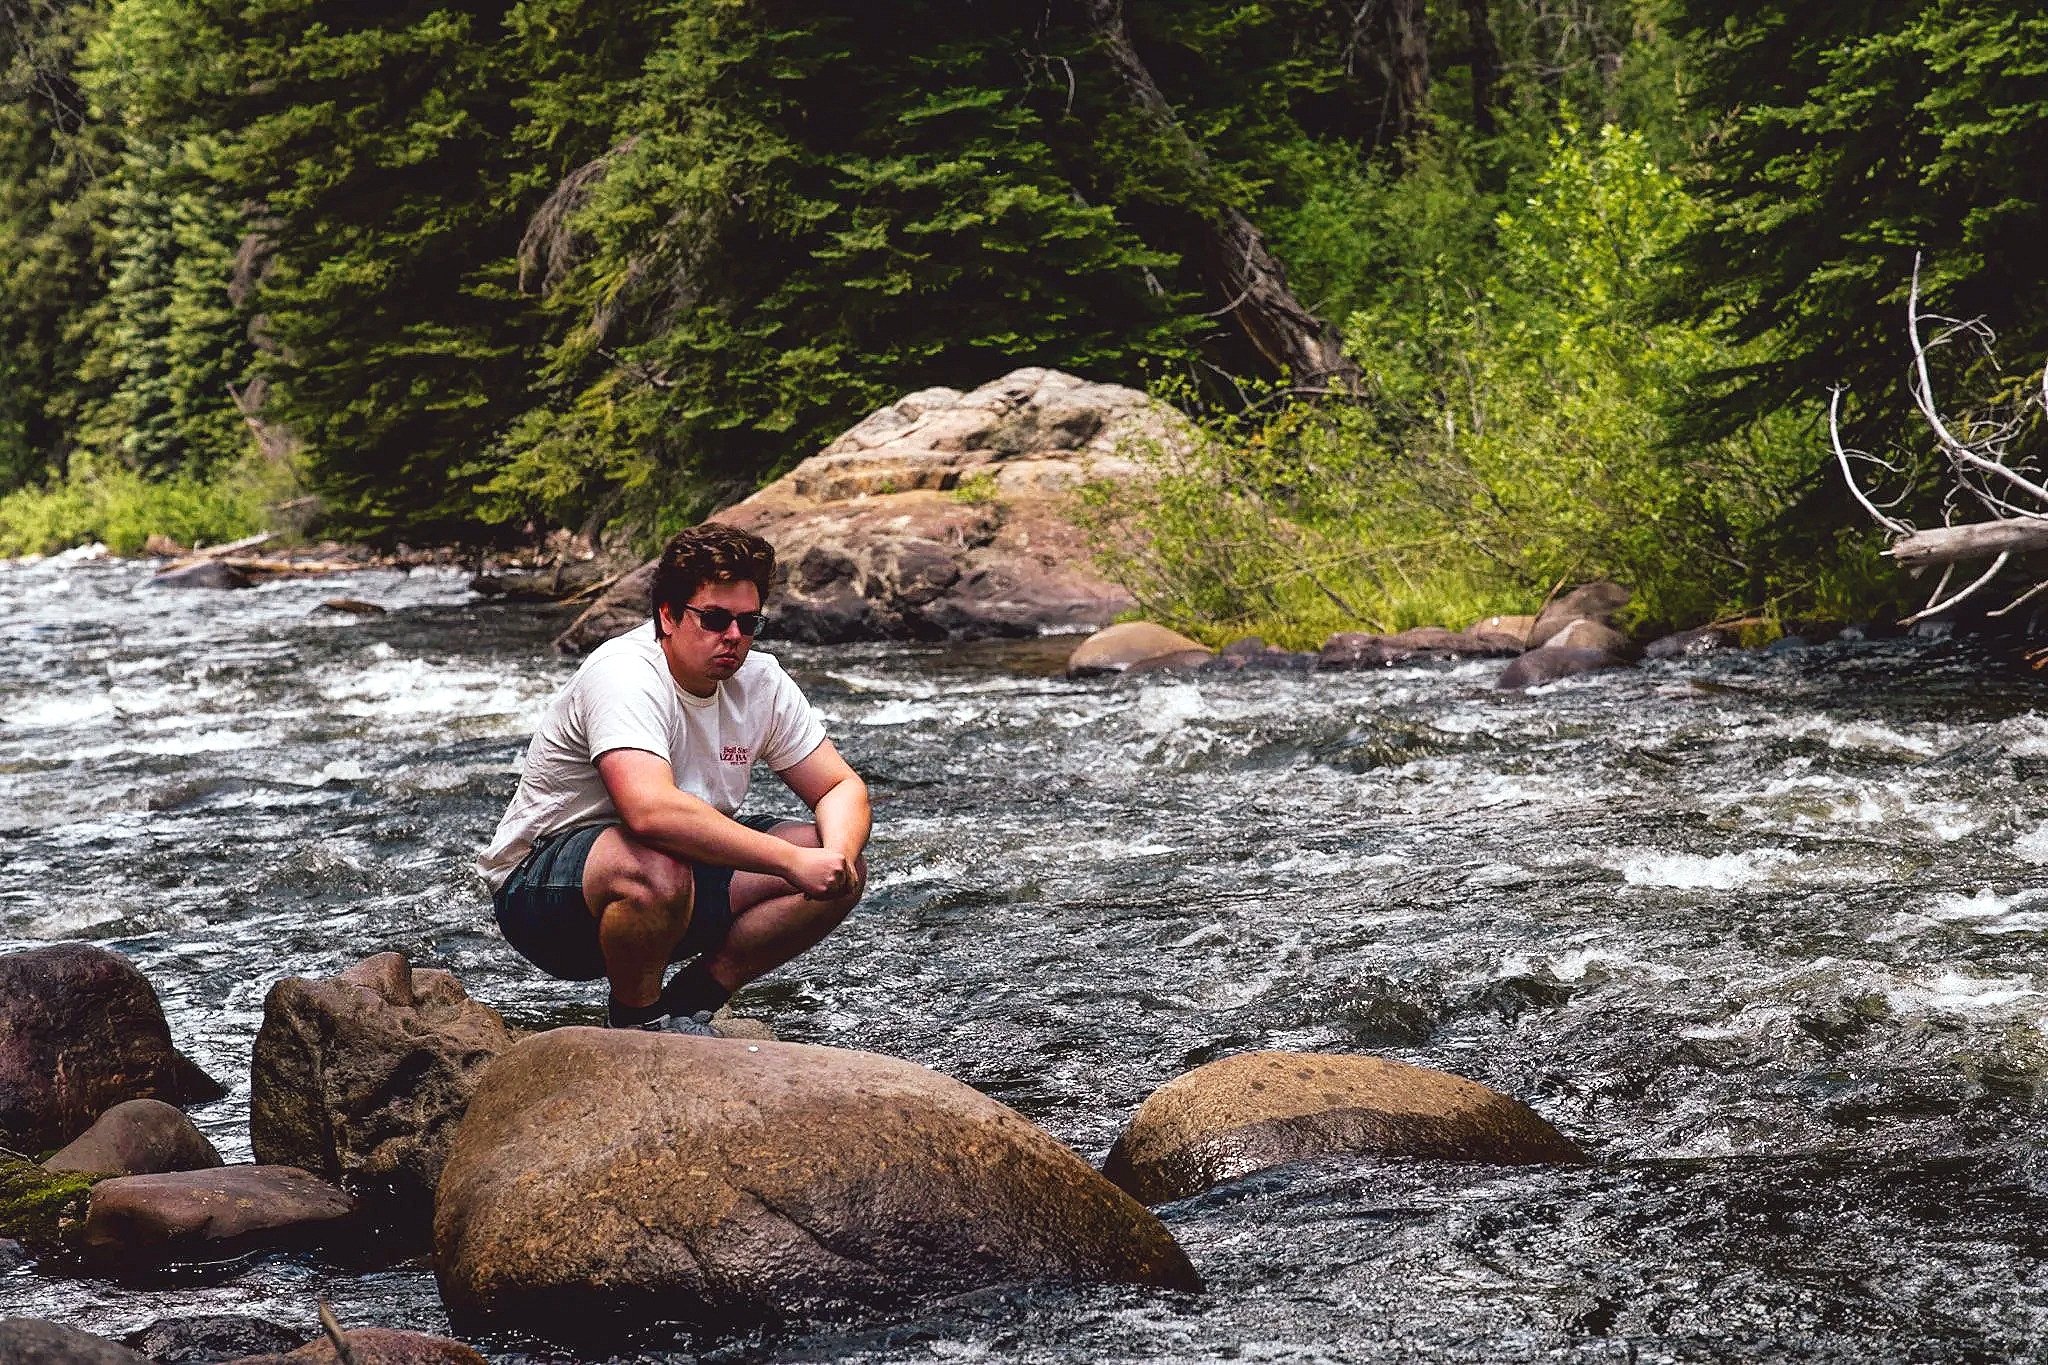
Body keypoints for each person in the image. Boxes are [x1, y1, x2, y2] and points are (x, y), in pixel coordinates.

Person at [478, 523, 869, 1034]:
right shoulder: (624, 673)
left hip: (678, 881)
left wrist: (833, 861)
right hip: (543, 892)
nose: (733, 637)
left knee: (839, 857)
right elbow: (650, 812)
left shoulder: (761, 682)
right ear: (668, 615)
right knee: (658, 861)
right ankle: (638, 1020)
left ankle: (691, 1001)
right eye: (715, 619)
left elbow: (841, 787)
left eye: (749, 623)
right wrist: (793, 862)